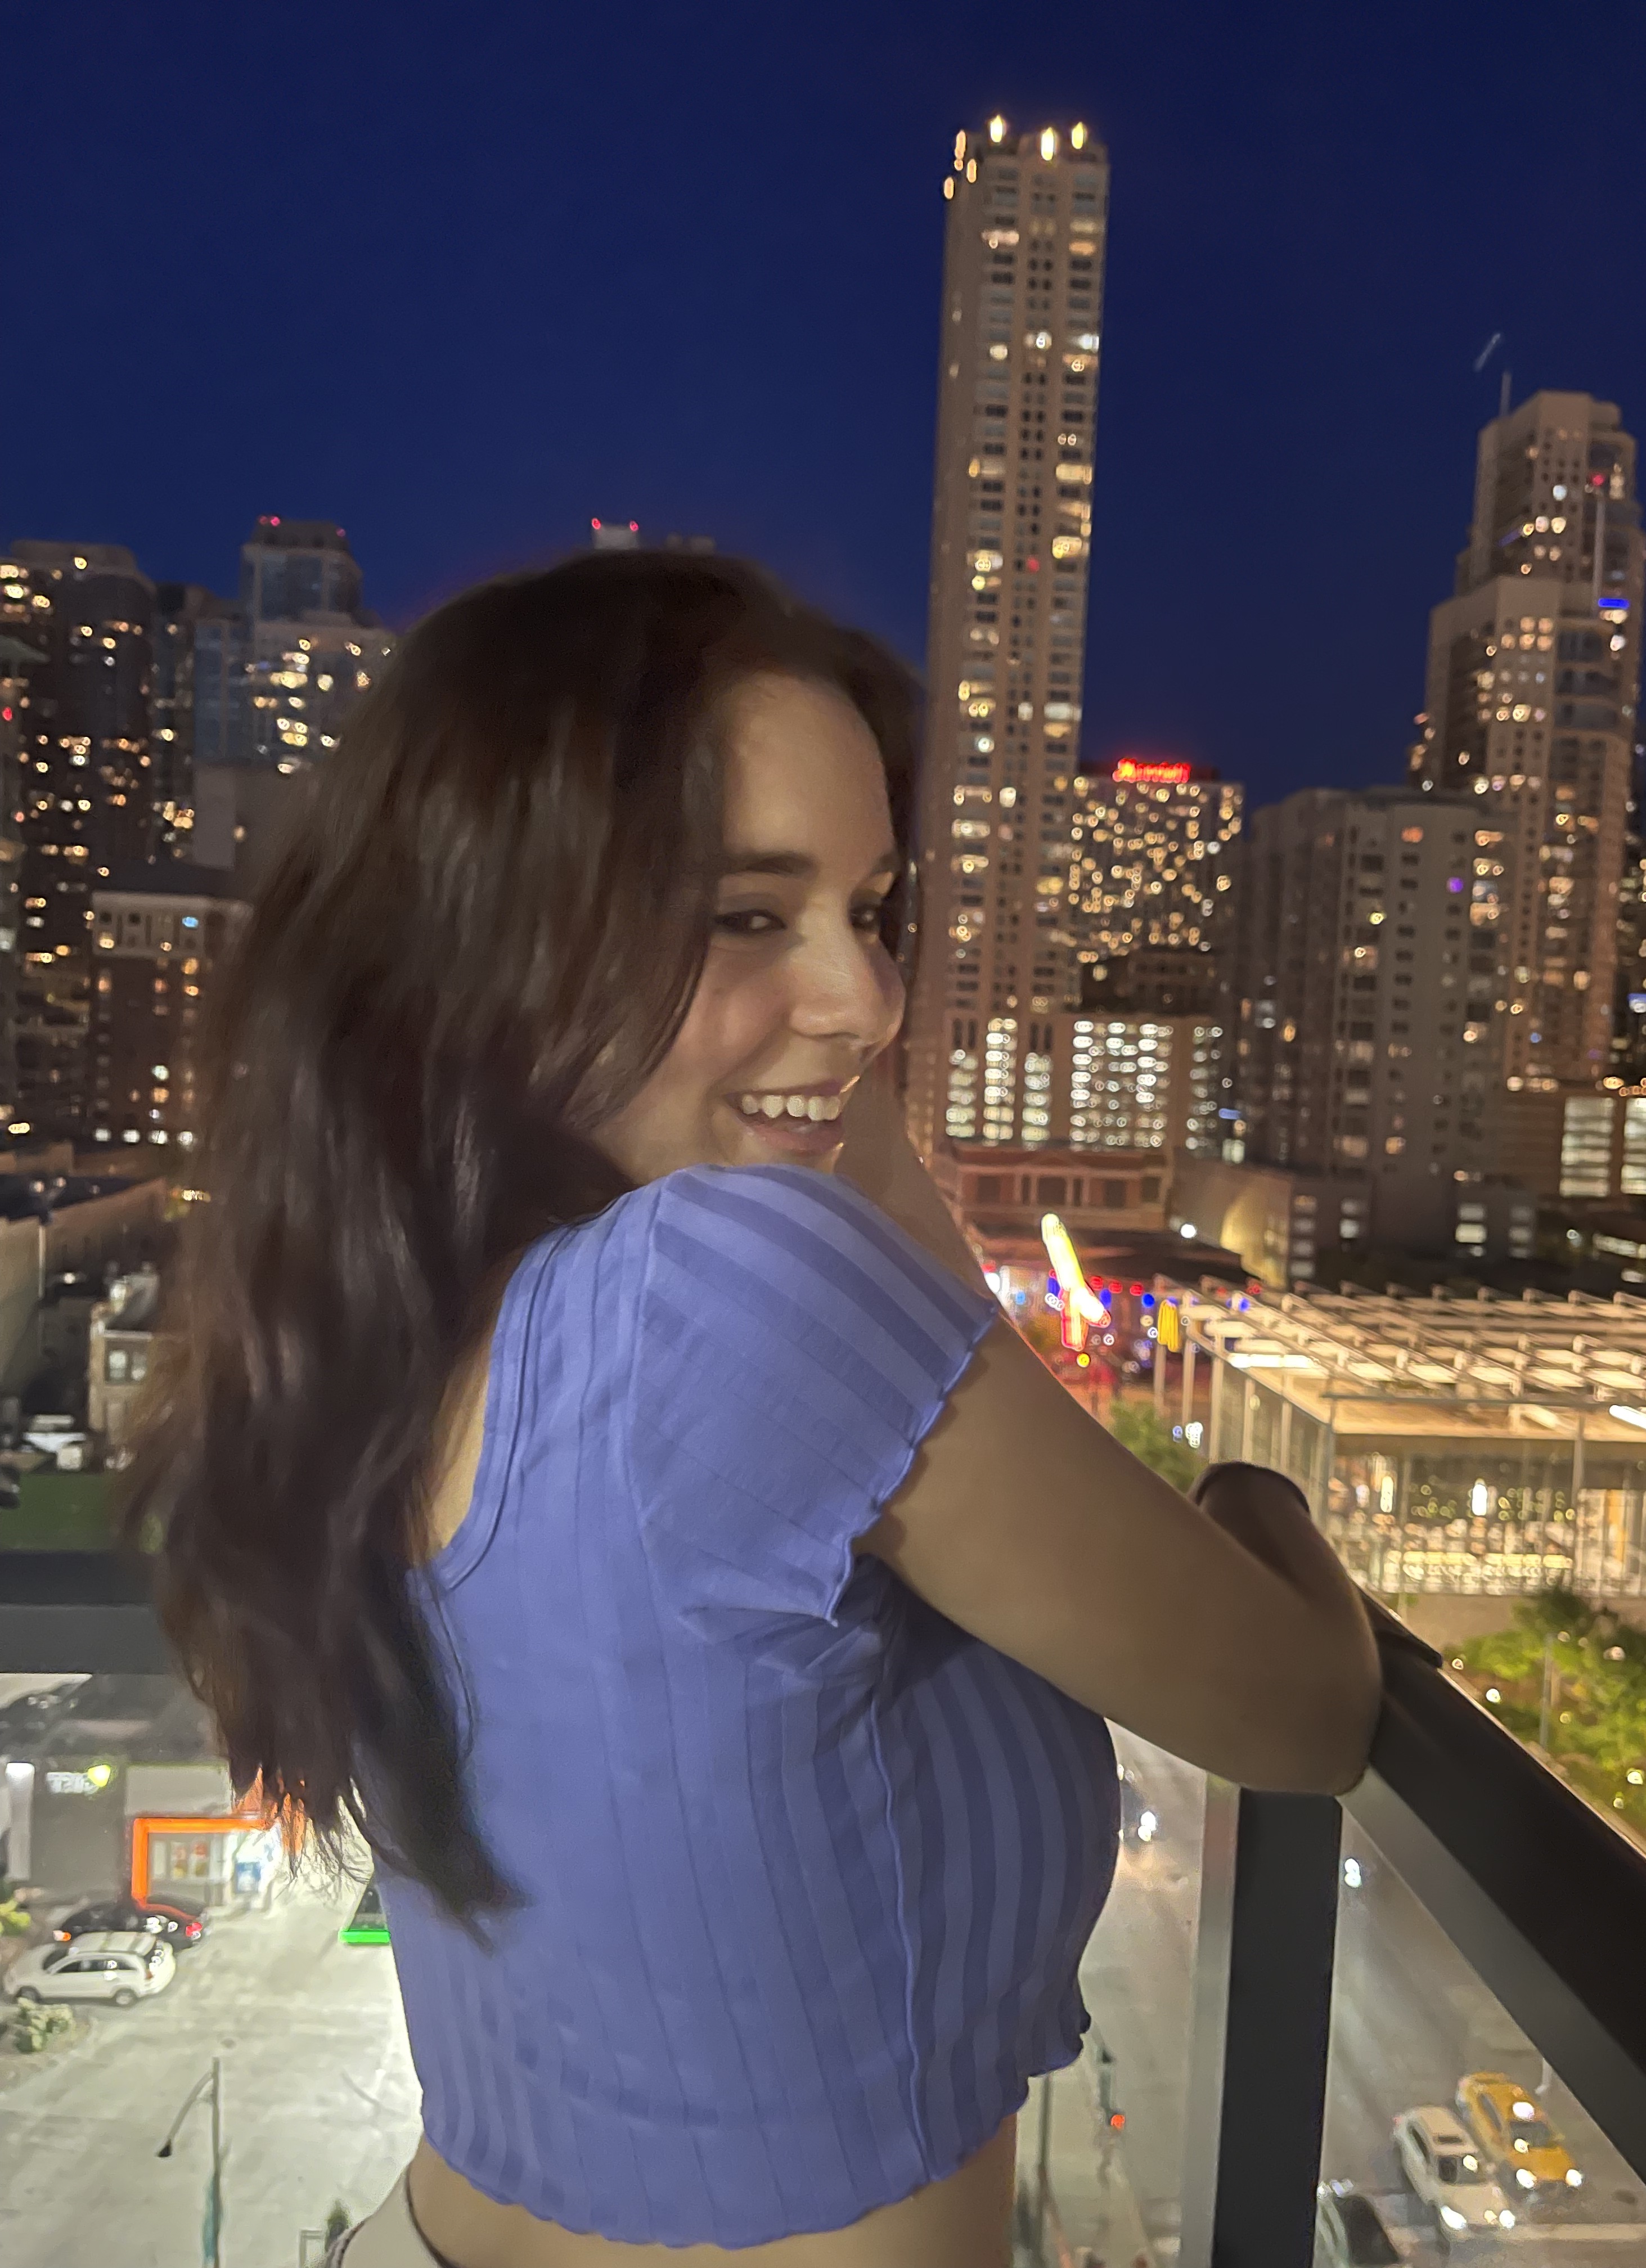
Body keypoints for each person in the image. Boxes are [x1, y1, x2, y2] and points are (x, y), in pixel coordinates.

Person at [125, 553, 1380, 2268]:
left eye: (873, 911)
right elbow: (1304, 1712)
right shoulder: (718, 1291)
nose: (868, 999)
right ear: (502, 933)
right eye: (746, 915)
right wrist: (1260, 1509)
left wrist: (792, 1098)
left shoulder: (373, 1309)